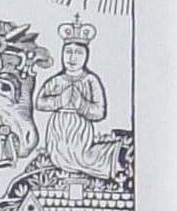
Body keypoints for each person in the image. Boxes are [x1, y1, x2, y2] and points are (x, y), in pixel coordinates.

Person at [36, 17, 121, 180]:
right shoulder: (56, 80)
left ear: (86, 55)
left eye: (78, 53)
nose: (72, 58)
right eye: (68, 52)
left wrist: (81, 104)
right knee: (59, 158)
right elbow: (40, 102)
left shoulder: (91, 81)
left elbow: (99, 112)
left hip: (80, 132)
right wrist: (59, 101)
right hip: (58, 133)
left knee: (83, 158)